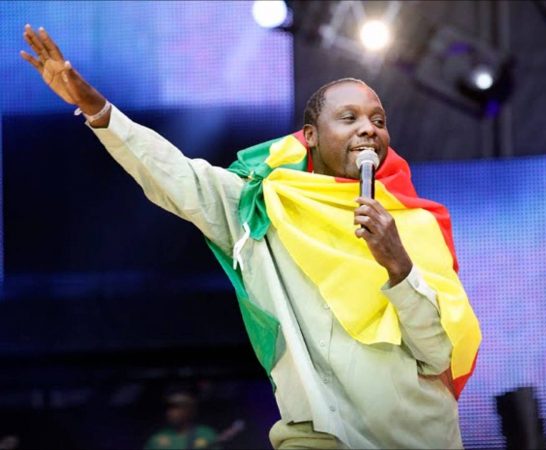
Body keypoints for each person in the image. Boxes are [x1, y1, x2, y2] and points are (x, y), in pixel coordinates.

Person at [21, 24, 481, 449]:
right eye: (349, 117)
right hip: (316, 435)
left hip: (413, 436)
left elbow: (436, 352)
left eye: (378, 120)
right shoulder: (263, 207)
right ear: (310, 136)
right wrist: (97, 109)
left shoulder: (412, 224)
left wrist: (398, 265)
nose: (368, 128)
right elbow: (176, 175)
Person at [144, 384, 245, 450]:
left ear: (190, 410)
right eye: (169, 408)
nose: (170, 412)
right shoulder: (157, 438)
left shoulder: (206, 434)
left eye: (177, 407)